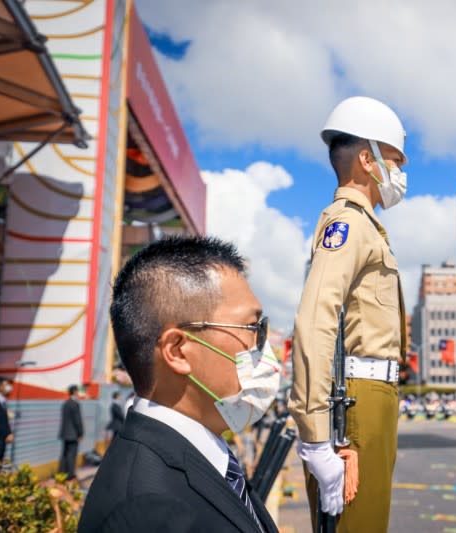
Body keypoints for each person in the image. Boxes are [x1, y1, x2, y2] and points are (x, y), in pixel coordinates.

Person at [78, 236, 279, 533]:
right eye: (253, 328)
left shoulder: (203, 456)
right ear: (178, 351)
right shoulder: (146, 509)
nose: (263, 346)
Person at [288, 96, 408, 533]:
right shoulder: (349, 223)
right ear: (366, 160)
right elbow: (315, 320)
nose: (400, 173)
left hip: (375, 395)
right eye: (394, 160)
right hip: (358, 398)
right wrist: (318, 437)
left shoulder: (366, 226)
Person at [58, 384, 84, 479]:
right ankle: (70, 474)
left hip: (65, 433)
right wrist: (80, 433)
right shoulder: (75, 404)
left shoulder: (65, 403)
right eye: (77, 391)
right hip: (73, 434)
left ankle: (61, 473)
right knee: (72, 455)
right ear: (75, 392)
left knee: (64, 454)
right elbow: (77, 420)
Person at [0, 377, 14, 465]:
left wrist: (9, 432)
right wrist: (7, 433)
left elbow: (4, 420)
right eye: (6, 385)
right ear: (0, 387)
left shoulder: (3, 401)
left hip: (2, 440)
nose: (8, 387)